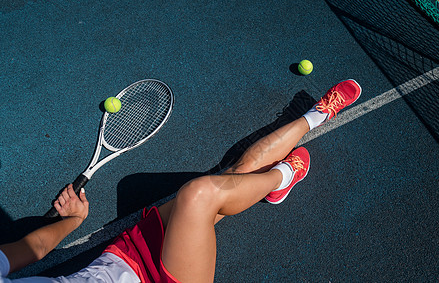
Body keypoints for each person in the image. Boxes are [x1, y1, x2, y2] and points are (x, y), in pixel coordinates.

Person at [0, 80, 362, 283]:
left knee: (228, 180)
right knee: (200, 194)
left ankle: (317, 115)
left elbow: (30, 251)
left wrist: (73, 221)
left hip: (126, 255)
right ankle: (282, 175)